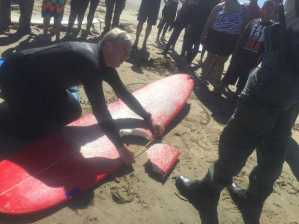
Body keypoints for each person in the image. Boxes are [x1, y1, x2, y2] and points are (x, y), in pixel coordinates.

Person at [175, 1, 299, 224]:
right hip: (294, 91)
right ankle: (254, 198)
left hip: (275, 79)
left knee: (238, 138)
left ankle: (207, 191)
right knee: (275, 146)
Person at [0, 28, 161, 165]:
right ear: (108, 45)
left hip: (43, 84)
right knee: (31, 134)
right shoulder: (89, 62)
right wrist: (120, 147)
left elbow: (123, 93)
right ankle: (7, 114)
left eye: (129, 51)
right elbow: (100, 109)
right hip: (15, 77)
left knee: (72, 111)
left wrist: (147, 117)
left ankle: (25, 109)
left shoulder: (104, 62)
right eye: (124, 50)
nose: (126, 57)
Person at [215, 0, 275, 96]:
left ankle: (236, 96)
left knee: (244, 78)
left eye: (270, 9)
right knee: (231, 72)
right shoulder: (253, 22)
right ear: (262, 9)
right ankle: (220, 88)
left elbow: (268, 48)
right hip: (241, 54)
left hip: (254, 59)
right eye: (266, 8)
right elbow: (242, 38)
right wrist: (235, 53)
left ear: (273, 13)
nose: (267, 11)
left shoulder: (272, 29)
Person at [200, 0, 246, 87]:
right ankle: (203, 77)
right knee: (210, 57)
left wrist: (238, 42)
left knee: (221, 61)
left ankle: (216, 81)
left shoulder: (242, 9)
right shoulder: (219, 6)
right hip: (216, 35)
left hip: (231, 38)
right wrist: (204, 33)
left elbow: (242, 27)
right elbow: (209, 21)